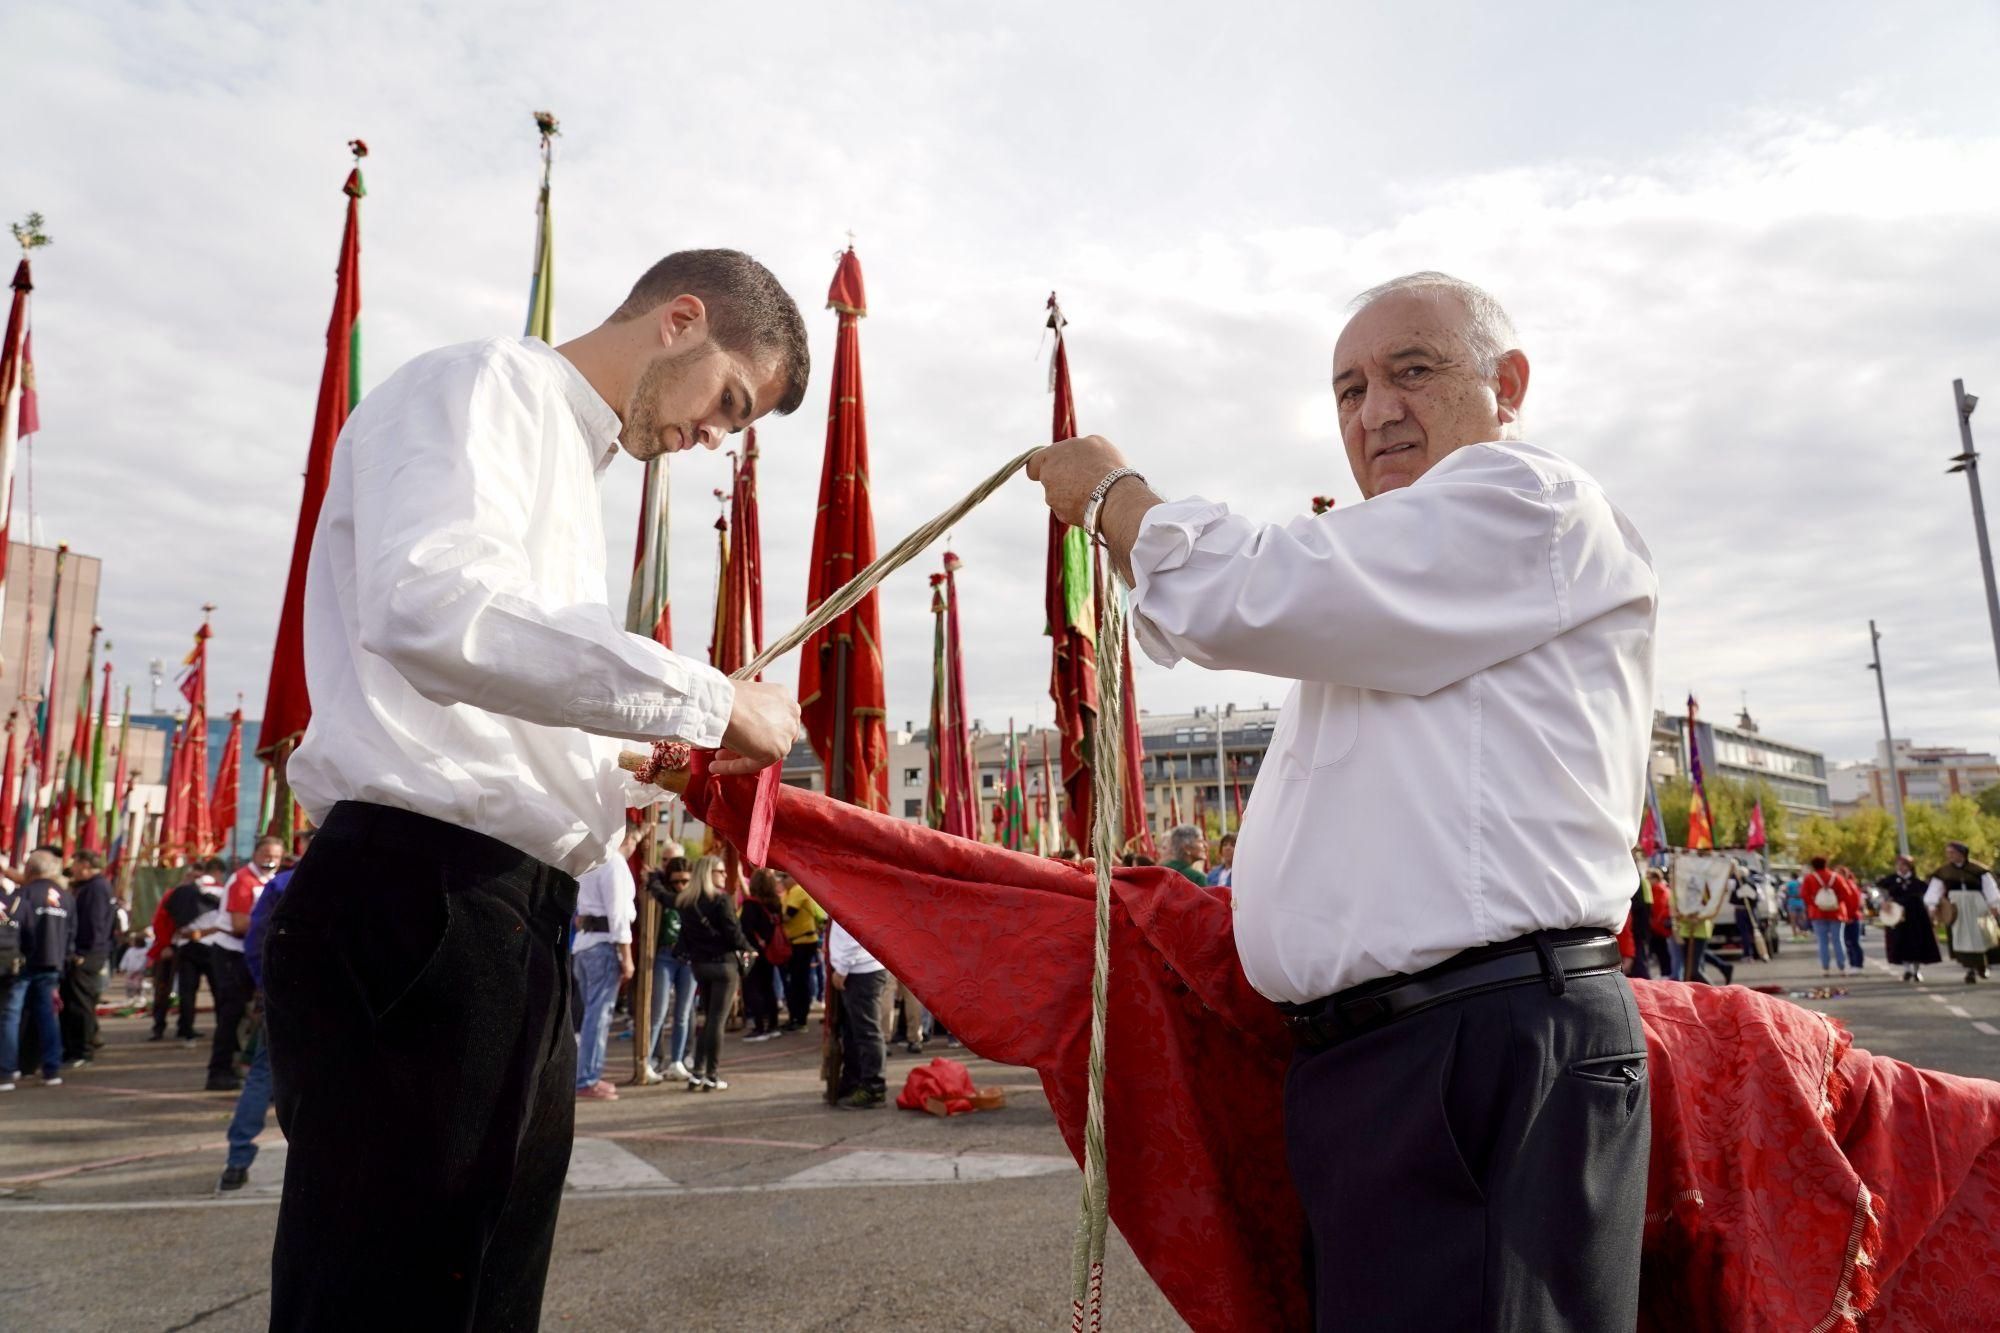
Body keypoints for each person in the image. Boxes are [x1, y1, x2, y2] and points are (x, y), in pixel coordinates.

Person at [1027, 270, 1656, 1327]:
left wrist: (1114, 498)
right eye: (1347, 390)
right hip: (1392, 1064)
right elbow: (1270, 604)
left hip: (1474, 1050)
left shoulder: (1526, 499)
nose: (1375, 411)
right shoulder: (1394, 583)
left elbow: (1258, 589)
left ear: (1507, 384)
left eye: (1412, 371)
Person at [262, 247, 809, 1327]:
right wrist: (703, 700)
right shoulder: (484, 386)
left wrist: (640, 769)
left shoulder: (567, 460)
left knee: (479, 1296)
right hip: (422, 898)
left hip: (506, 916)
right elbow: (432, 611)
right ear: (679, 319)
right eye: (727, 401)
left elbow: (498, 713)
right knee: (391, 1302)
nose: (711, 438)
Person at [218, 831, 311, 1192]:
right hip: (339, 1003)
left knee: (261, 1076)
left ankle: (236, 1162)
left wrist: (267, 984)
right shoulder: (364, 882)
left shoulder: (280, 885)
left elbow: (256, 942)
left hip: (286, 995)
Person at [204, 838, 285, 1092]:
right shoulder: (243, 880)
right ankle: (219, 1071)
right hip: (232, 954)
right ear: (255, 854)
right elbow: (240, 925)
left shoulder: (268, 882)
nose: (269, 859)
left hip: (251, 953)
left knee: (249, 1015)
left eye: (275, 855)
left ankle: (240, 1065)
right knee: (231, 1014)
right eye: (265, 854)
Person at [572, 825, 639, 1102]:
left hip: (586, 943)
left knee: (590, 1015)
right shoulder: (614, 863)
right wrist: (628, 956)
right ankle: (587, 1077)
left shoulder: (592, 860)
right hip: (602, 943)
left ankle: (585, 1074)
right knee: (598, 1017)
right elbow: (619, 913)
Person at [674, 853, 749, 1091]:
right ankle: (711, 1074)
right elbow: (733, 934)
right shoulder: (721, 900)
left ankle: (697, 1072)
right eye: (721, 871)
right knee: (716, 1021)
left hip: (700, 966)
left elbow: (685, 937)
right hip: (724, 966)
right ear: (709, 873)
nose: (725, 875)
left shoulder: (687, 902)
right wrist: (749, 949)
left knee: (708, 1019)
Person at [3, 850, 74, 1088]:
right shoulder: (66, 896)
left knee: (11, 1015)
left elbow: (17, 930)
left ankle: (7, 1069)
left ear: (29, 870)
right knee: (47, 1015)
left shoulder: (24, 895)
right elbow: (70, 933)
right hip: (52, 961)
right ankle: (51, 1069)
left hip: (25, 962)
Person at [58, 848, 115, 1065]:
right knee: (75, 1001)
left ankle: (82, 1050)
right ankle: (75, 1047)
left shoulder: (96, 888)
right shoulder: (90, 887)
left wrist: (82, 952)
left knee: (80, 1003)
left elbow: (95, 923)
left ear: (84, 865)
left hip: (88, 953)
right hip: (90, 951)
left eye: (75, 864)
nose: (72, 869)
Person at [827, 916, 889, 1109]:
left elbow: (855, 931)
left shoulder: (850, 893)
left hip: (861, 969)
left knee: (866, 1032)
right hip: (859, 968)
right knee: (854, 1033)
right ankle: (854, 1082)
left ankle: (874, 1087)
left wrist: (842, 968)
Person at [644, 857, 697, 1081]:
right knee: (658, 1013)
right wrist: (654, 879)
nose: (680, 886)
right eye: (676, 881)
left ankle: (677, 1061)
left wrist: (654, 880)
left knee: (683, 1014)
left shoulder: (694, 896)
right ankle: (647, 1061)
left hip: (688, 958)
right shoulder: (663, 896)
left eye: (685, 881)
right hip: (665, 955)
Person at [1925, 841, 2000, 984]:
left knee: (1982, 936)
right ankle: (1969, 970)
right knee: (1962, 938)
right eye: (1948, 853)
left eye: (1952, 852)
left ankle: (1982, 965)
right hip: (1956, 909)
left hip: (1977, 907)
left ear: (1962, 853)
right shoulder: (1943, 872)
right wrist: (1932, 906)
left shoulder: (1979, 870)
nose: (1949, 856)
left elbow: (1990, 889)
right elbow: (1935, 890)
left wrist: (1994, 904)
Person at [738, 868, 786, 1042]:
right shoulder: (776, 903)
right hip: (770, 951)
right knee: (768, 988)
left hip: (752, 952)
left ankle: (760, 1027)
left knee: (752, 988)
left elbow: (745, 929)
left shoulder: (751, 905)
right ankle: (773, 1025)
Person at [1878, 855, 1940, 984]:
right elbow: (1882, 893)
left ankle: (1916, 970)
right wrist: (1884, 902)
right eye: (1898, 865)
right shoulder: (1890, 880)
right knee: (1900, 941)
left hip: (1915, 915)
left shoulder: (1918, 883)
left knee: (1916, 942)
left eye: (1904, 865)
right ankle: (1907, 969)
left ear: (1910, 867)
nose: (1900, 867)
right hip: (1897, 915)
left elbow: (1926, 897)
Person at [1671, 862, 1733, 985]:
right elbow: (1674, 909)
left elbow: (1709, 906)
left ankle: (1716, 995)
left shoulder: (1702, 887)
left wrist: (1698, 916)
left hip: (1699, 930)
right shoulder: (1677, 888)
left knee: (1694, 970)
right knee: (1687, 972)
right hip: (1684, 930)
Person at [779, 873, 825, 1030]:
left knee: (800, 982)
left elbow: (787, 917)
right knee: (795, 982)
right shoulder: (788, 893)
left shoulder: (798, 890)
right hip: (796, 943)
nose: (782, 880)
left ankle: (800, 1019)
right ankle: (795, 1017)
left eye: (784, 876)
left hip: (804, 943)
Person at [1803, 856, 1848, 978]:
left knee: (1822, 942)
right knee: (1838, 940)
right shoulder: (1836, 877)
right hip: (1836, 912)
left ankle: (1825, 968)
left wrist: (1816, 904)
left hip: (1818, 913)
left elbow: (1804, 895)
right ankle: (1842, 967)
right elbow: (1846, 893)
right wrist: (1836, 902)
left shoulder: (1810, 878)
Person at [1837, 865, 1866, 970]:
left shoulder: (1850, 885)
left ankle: (1857, 964)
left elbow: (1854, 903)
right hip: (1845, 918)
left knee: (1854, 942)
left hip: (1853, 917)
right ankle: (1852, 963)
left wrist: (1850, 916)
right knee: (1847, 942)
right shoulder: (1842, 885)